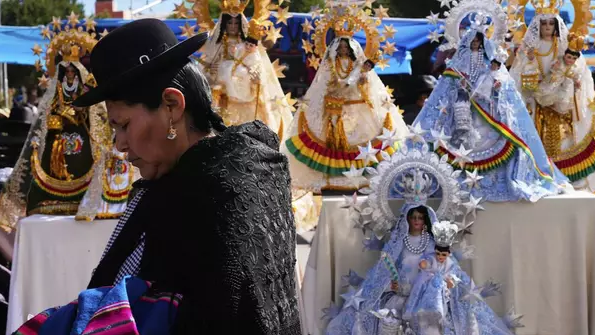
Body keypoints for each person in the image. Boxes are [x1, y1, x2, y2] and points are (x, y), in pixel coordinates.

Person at [9, 19, 320, 335]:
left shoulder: (195, 194)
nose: (120, 145)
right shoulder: (257, 164)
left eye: (123, 125)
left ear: (172, 105)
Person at [317, 165, 554, 335]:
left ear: (427, 219)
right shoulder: (397, 244)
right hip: (400, 301)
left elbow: (447, 268)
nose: (417, 222)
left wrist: (446, 283)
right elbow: (384, 272)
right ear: (407, 218)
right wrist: (393, 286)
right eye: (414, 218)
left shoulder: (433, 242)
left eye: (421, 218)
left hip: (431, 302)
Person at [0, 19, 135, 231]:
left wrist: (81, 114)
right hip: (57, 149)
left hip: (85, 152)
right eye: (66, 73)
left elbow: (101, 128)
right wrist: (55, 121)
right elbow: (40, 130)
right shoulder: (53, 98)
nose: (69, 76)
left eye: (73, 73)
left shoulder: (90, 99)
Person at [414, 28, 568, 202]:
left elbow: (498, 83)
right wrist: (461, 83)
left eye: (478, 42)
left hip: (486, 108)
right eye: (472, 42)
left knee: (491, 135)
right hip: (464, 104)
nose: (475, 45)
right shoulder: (459, 61)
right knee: (462, 131)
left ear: (483, 44)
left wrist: (491, 84)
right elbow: (449, 82)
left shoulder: (487, 60)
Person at [511, 7, 595, 197]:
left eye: (551, 23)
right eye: (543, 24)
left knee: (564, 144)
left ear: (557, 26)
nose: (547, 28)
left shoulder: (564, 47)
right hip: (535, 104)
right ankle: (540, 179)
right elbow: (518, 77)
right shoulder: (529, 49)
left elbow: (579, 74)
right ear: (536, 26)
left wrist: (565, 90)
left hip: (561, 104)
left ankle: (568, 182)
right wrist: (532, 82)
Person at [281, 35, 409, 193]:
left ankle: (360, 176)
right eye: (340, 47)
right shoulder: (330, 64)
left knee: (360, 139)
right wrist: (336, 88)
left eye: (346, 47)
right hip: (333, 106)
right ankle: (332, 176)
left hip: (355, 107)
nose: (343, 50)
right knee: (333, 143)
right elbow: (323, 84)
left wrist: (362, 78)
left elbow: (365, 86)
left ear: (352, 49)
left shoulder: (358, 65)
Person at [197, 2, 292, 137]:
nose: (233, 27)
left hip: (245, 100)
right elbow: (204, 69)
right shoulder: (216, 44)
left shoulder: (248, 46)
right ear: (224, 24)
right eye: (230, 23)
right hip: (222, 100)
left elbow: (256, 64)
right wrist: (211, 71)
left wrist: (255, 77)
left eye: (236, 23)